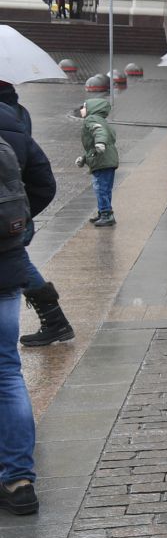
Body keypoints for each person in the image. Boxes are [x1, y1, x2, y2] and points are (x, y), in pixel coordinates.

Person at [0, 132, 54, 516]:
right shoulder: (3, 143)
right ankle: (20, 481)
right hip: (6, 268)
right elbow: (43, 182)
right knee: (7, 372)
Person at [0, 82, 69, 349]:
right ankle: (55, 320)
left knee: (17, 264)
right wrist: (24, 212)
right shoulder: (19, 114)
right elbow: (43, 179)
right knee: (16, 261)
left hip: (12, 211)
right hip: (17, 210)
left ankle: (55, 321)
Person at [76, 94, 117, 228]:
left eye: (84, 107)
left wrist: (100, 142)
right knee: (106, 188)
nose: (81, 109)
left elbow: (98, 132)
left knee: (100, 188)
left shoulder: (91, 119)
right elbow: (92, 147)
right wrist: (83, 159)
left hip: (102, 161)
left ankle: (106, 214)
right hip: (108, 160)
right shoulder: (102, 120)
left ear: (93, 109)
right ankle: (103, 211)